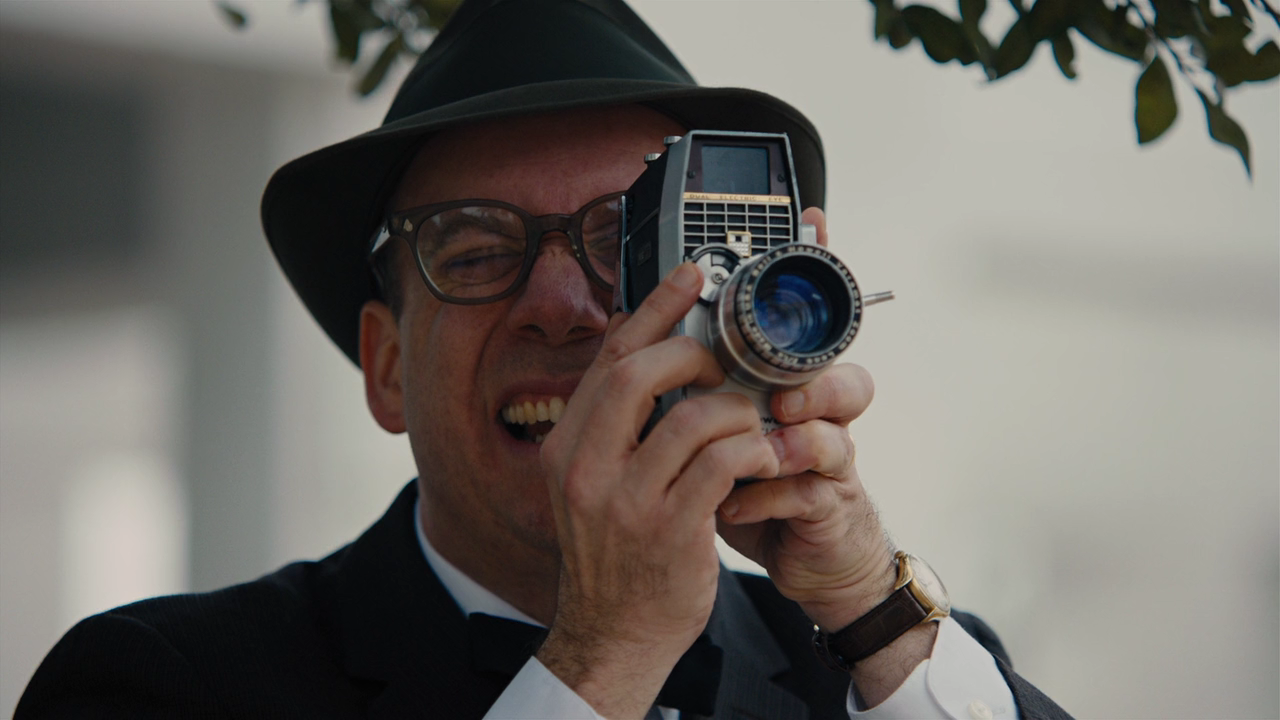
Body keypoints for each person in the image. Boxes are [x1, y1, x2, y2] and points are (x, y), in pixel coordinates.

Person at [18, 1, 1071, 718]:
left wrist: (868, 603)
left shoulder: (886, 663)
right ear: (386, 367)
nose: (561, 308)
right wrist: (603, 657)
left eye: (627, 242)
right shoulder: (160, 684)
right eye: (475, 250)